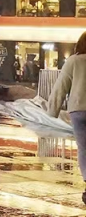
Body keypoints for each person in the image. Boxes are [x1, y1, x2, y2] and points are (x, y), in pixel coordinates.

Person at [46, 31, 86, 204]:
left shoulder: (73, 61)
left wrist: (52, 112)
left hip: (78, 110)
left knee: (83, 148)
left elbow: (60, 87)